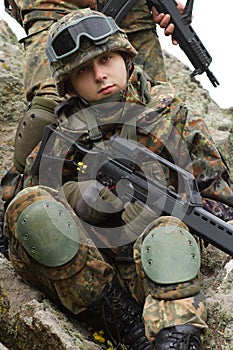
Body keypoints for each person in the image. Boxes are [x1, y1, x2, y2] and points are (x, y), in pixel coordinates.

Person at [3, 8, 233, 350]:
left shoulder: (173, 115)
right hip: (90, 276)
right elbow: (18, 210)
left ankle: (176, 338)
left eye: (106, 59)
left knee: (167, 235)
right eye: (84, 70)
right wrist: (81, 197)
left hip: (157, 262)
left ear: (125, 57)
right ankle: (126, 326)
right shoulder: (64, 135)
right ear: (70, 83)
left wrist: (163, 203)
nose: (99, 75)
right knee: (32, 209)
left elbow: (222, 205)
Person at [5, 0, 184, 174]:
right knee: (44, 115)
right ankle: (26, 190)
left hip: (133, 7)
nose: (99, 75)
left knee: (157, 107)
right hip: (54, 3)